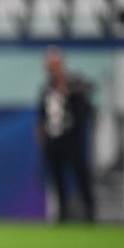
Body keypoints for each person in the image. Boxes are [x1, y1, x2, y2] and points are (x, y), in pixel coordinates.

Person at [36, 46, 95, 222]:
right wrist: (42, 136)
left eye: (55, 65)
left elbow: (85, 110)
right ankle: (62, 214)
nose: (51, 69)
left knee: (80, 175)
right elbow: (42, 117)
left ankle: (90, 213)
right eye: (49, 66)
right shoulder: (47, 90)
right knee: (57, 177)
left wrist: (73, 95)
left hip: (73, 141)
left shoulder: (75, 86)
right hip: (54, 142)